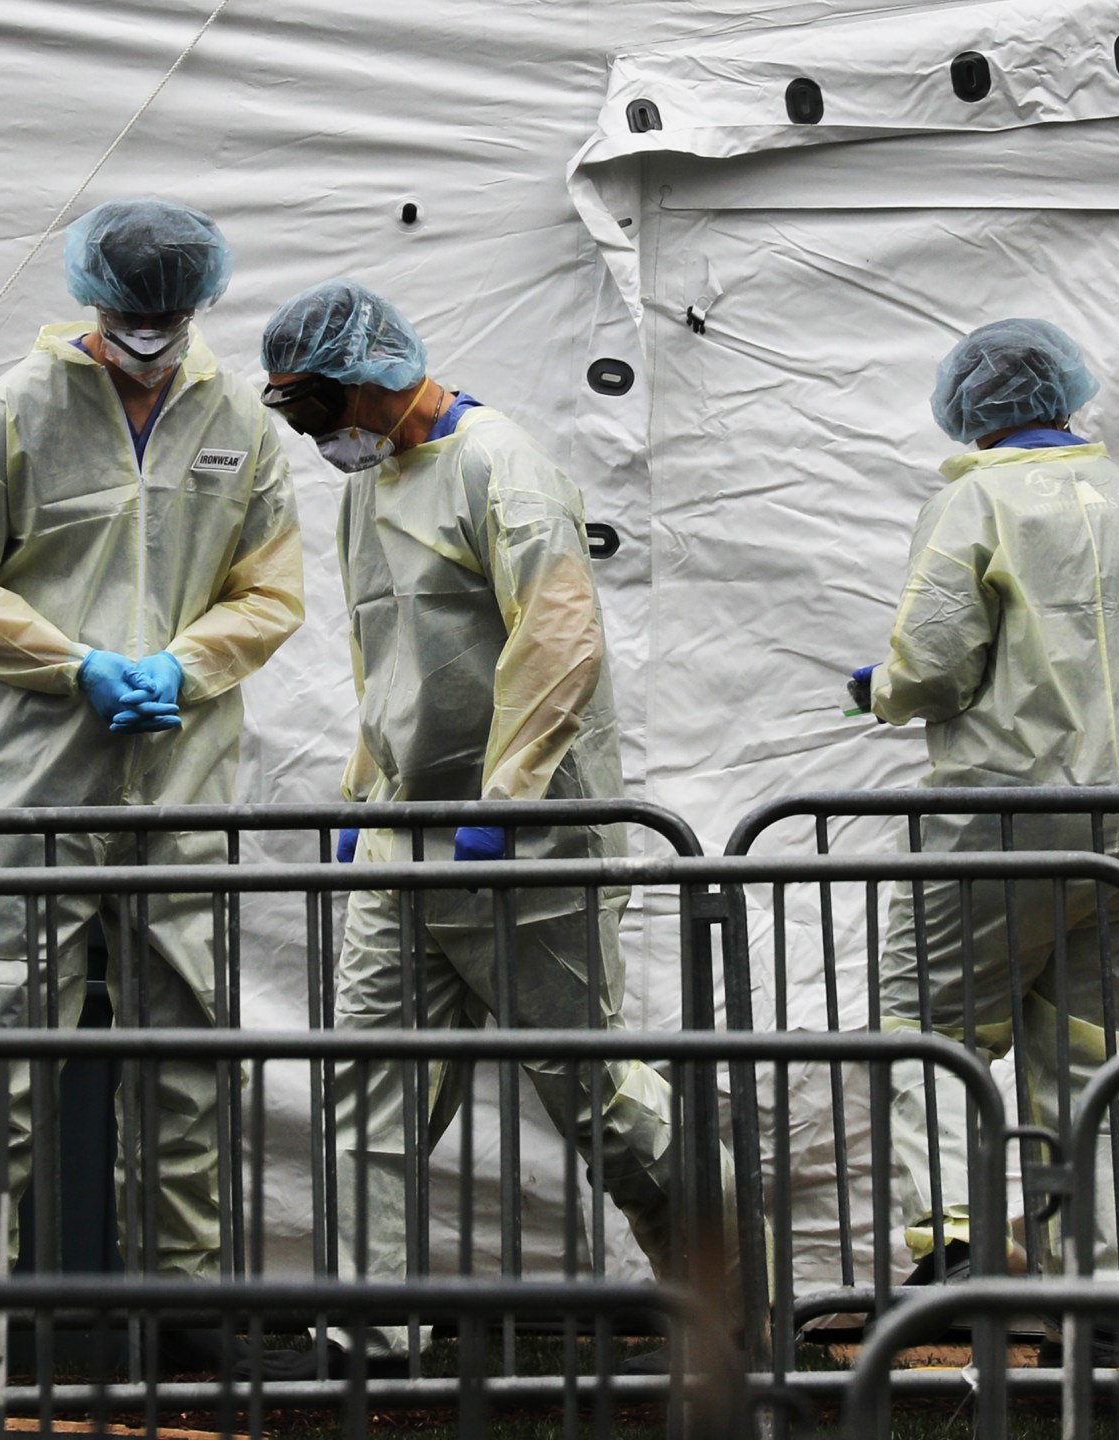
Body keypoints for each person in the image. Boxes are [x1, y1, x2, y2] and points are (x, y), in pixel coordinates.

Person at [242, 279, 693, 1379]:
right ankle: (369, 1337)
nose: (316, 435)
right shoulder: (371, 486)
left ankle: (728, 1291)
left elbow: (557, 639)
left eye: (317, 407)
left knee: (589, 1087)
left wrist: (510, 796)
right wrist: (366, 795)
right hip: (409, 833)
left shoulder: (501, 467)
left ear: (373, 372)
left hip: (528, 841)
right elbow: (382, 661)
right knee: (369, 1087)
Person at [0, 197, 304, 1377]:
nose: (150, 334)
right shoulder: (15, 411)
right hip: (30, 781)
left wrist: (185, 664)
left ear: (197, 309)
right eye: (134, 315)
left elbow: (269, 591)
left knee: (185, 1053)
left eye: (169, 315)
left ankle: (180, 1307)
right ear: (93, 302)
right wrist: (73, 664)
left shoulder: (237, 416)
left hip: (180, 779)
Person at [856, 319, 1119, 1304]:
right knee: (1096, 1048)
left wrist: (880, 688)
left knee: (931, 1024)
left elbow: (931, 662)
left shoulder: (976, 502)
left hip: (1009, 813)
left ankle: (956, 1238)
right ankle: (1092, 1272)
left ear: (971, 408)